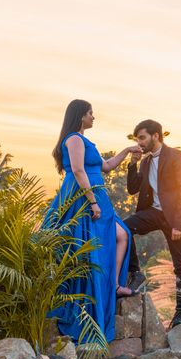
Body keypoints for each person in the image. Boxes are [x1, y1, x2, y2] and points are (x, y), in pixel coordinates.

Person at [43, 99, 141, 343]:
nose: (93, 117)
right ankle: (99, 293)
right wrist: (92, 201)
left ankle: (115, 285)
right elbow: (77, 171)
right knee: (88, 246)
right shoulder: (74, 139)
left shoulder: (85, 140)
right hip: (83, 196)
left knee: (122, 235)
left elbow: (106, 166)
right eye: (90, 113)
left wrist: (128, 151)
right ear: (80, 116)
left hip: (98, 193)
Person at [124, 119, 181, 328]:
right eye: (138, 138)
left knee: (180, 265)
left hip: (176, 217)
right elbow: (132, 189)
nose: (140, 142)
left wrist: (179, 224)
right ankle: (136, 272)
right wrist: (132, 164)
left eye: (142, 137)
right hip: (154, 213)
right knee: (122, 227)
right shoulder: (145, 161)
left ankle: (180, 314)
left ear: (156, 136)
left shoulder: (176, 156)